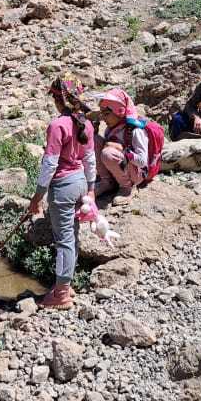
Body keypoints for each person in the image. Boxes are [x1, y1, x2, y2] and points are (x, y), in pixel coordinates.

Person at [27, 75, 96, 310]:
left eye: (55, 97)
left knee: (63, 240)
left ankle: (62, 294)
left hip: (63, 187)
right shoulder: (86, 123)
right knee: (72, 236)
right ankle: (66, 283)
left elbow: (50, 164)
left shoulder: (58, 125)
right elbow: (90, 159)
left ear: (60, 99)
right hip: (80, 183)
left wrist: (37, 196)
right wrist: (92, 189)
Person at [94, 88, 148, 201]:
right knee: (94, 139)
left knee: (107, 153)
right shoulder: (111, 129)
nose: (103, 118)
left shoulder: (134, 131)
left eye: (107, 114)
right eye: (102, 114)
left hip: (135, 173)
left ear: (120, 111)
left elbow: (143, 162)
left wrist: (124, 150)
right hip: (123, 166)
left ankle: (127, 187)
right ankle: (107, 181)